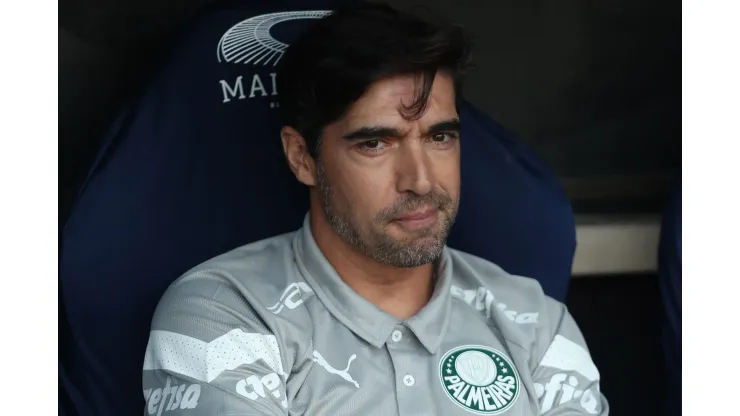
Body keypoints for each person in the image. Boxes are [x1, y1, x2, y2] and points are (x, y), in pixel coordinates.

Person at [142, 3, 604, 415]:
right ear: (302, 156)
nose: (421, 180)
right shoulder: (223, 314)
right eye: (376, 143)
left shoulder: (533, 320)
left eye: (440, 137)